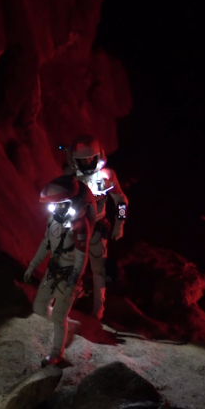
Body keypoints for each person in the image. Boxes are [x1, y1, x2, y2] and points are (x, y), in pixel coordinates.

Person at [24, 176, 94, 366]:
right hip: (53, 271)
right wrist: (33, 265)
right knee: (39, 307)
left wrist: (74, 282)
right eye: (53, 205)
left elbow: (82, 257)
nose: (54, 209)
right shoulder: (53, 220)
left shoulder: (80, 225)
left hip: (69, 275)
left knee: (58, 317)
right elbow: (46, 243)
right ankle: (70, 325)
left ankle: (57, 354)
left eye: (58, 204)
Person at [64, 135, 129, 322]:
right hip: (75, 225)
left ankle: (98, 308)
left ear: (98, 155)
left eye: (90, 158)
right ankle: (69, 300)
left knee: (99, 268)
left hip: (98, 226)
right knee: (72, 265)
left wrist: (120, 224)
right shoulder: (69, 174)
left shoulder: (107, 175)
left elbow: (122, 201)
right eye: (83, 159)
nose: (87, 162)